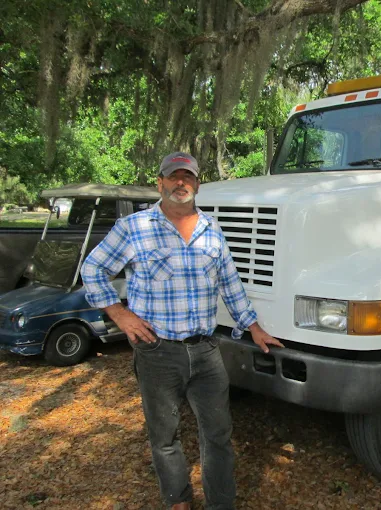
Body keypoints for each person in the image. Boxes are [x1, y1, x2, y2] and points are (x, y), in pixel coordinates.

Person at [81, 151, 283, 510]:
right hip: (158, 351)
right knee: (164, 437)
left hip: (206, 351)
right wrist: (119, 314)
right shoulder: (134, 228)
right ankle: (178, 500)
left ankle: (221, 504)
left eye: (188, 177)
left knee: (218, 435)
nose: (181, 183)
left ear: (197, 185)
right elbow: (93, 268)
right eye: (173, 177)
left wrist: (253, 327)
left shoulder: (212, 229)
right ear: (159, 183)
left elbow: (230, 283)